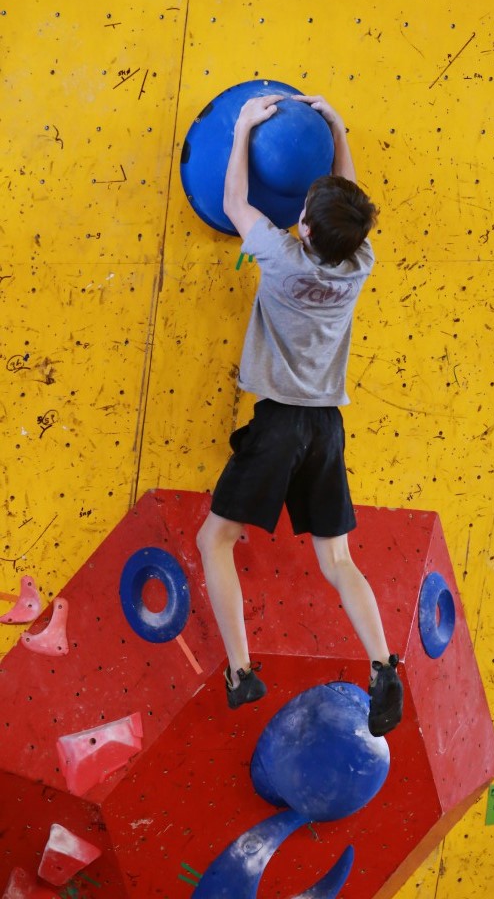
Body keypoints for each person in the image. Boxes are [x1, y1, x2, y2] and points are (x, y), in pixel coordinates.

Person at [196, 92, 403, 737]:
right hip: (327, 428)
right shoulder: (360, 264)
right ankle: (383, 665)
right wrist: (339, 126)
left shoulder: (281, 257)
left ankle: (240, 670)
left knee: (214, 541)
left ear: (304, 229)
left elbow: (236, 203)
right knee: (338, 561)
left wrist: (242, 130)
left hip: (280, 425)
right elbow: (349, 203)